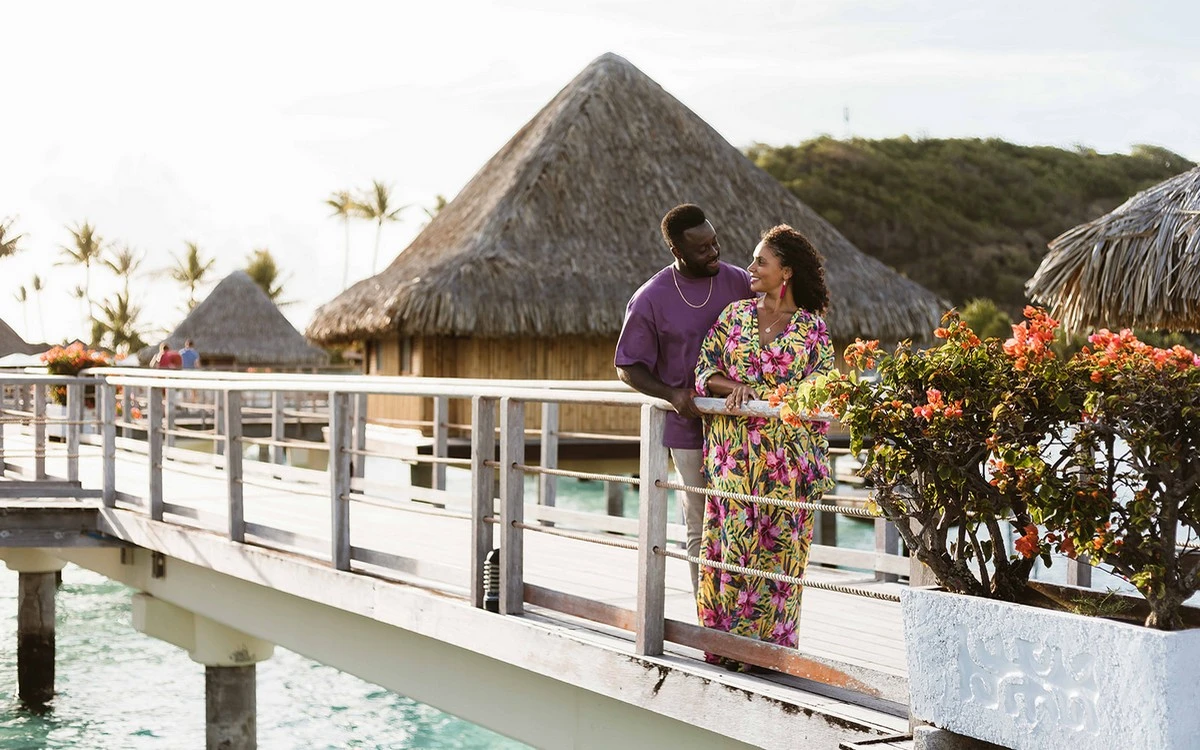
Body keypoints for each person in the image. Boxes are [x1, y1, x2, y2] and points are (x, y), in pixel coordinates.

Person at [693, 224, 835, 667]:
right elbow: (703, 371)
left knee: (779, 557)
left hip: (786, 461)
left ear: (786, 271)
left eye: (761, 262)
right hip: (732, 454)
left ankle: (767, 655)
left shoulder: (813, 331)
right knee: (730, 548)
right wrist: (732, 385)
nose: (750, 268)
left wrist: (772, 398)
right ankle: (727, 648)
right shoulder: (734, 316)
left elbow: (822, 392)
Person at [615, 204, 754, 593]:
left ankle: (741, 613)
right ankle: (706, 619)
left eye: (715, 242)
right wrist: (671, 394)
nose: (714, 252)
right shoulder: (650, 298)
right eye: (702, 248)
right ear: (677, 251)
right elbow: (628, 366)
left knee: (745, 521)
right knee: (700, 523)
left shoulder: (740, 282)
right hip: (688, 428)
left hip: (741, 425)